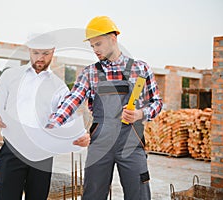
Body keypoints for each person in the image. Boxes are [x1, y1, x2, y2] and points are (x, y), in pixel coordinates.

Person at [47, 16, 163, 199]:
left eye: (98, 44)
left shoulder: (140, 69)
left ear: (113, 39)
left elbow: (156, 103)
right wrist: (52, 124)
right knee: (93, 194)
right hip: (100, 142)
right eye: (92, 46)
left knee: (139, 194)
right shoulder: (90, 72)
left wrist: (140, 113)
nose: (95, 50)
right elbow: (73, 99)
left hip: (131, 142)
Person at [0, 32, 90, 200]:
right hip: (13, 150)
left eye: (45, 53)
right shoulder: (10, 76)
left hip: (42, 154)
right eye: (36, 53)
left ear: (53, 51)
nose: (40, 58)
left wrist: (80, 137)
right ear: (29, 50)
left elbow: (68, 119)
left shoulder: (59, 86)